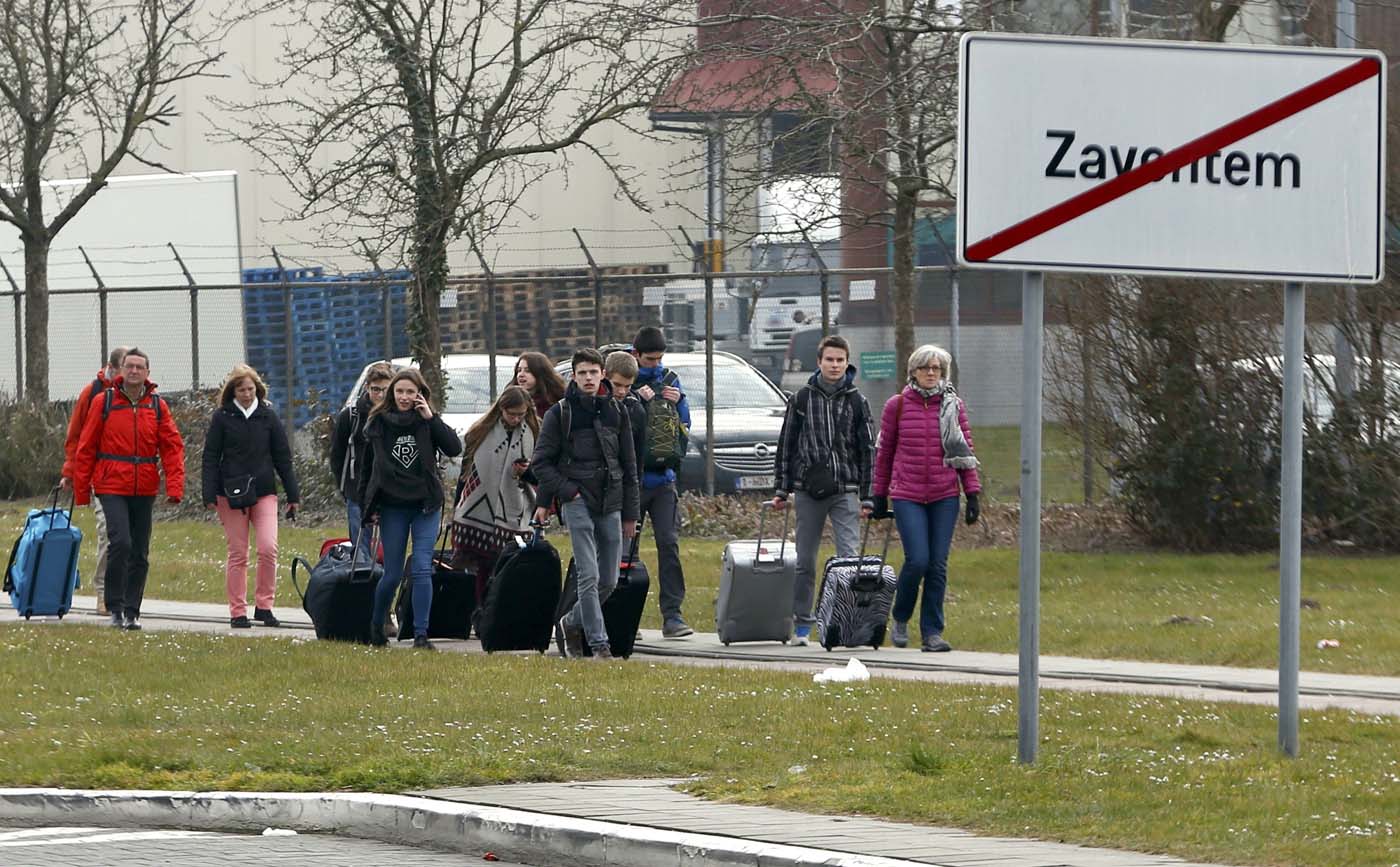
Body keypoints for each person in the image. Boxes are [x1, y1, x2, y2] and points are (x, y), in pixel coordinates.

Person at [531, 348, 639, 660]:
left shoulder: (617, 412)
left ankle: (570, 622)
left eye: (594, 372)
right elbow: (541, 463)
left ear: (602, 373)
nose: (589, 378)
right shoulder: (560, 413)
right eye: (582, 373)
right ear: (574, 377)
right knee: (588, 575)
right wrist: (568, 492)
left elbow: (630, 466)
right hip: (576, 500)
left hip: (611, 500)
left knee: (609, 579)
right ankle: (600, 645)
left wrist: (630, 513)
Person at [871, 345, 981, 653]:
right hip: (907, 494)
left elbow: (965, 450)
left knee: (937, 565)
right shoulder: (897, 406)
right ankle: (901, 615)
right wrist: (878, 495)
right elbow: (885, 453)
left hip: (945, 494)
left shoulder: (953, 406)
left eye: (937, 368)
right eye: (925, 368)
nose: (931, 373)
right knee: (917, 560)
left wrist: (972, 493)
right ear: (914, 371)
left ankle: (932, 632)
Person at [70, 348, 186, 631]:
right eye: (129, 366)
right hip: (111, 483)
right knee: (119, 542)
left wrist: (174, 487)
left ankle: (133, 610)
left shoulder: (157, 406)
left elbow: (172, 448)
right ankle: (115, 606)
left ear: (147, 372)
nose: (134, 371)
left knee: (139, 551)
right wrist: (82, 489)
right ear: (121, 370)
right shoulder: (103, 401)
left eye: (139, 367)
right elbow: (86, 446)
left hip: (144, 485)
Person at [771, 335, 874, 646]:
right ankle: (803, 625)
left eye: (840, 360)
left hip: (846, 488)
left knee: (849, 560)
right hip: (807, 489)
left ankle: (846, 625)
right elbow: (786, 444)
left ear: (847, 362)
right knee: (805, 561)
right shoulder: (801, 399)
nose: (834, 365)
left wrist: (868, 495)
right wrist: (782, 487)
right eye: (829, 360)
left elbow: (868, 450)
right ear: (819, 362)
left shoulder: (858, 401)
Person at [358, 368, 463, 650]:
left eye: (410, 392)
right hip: (392, 506)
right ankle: (376, 624)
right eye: (400, 391)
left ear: (420, 394)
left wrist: (432, 418)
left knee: (421, 569)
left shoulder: (426, 421)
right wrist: (369, 507)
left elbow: (453, 448)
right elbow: (367, 470)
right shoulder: (378, 423)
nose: (405, 397)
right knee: (391, 574)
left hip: (425, 505)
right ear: (392, 393)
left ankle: (420, 634)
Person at [201, 364, 301, 629]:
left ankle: (264, 606)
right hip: (230, 494)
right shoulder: (222, 417)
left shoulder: (268, 416)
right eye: (241, 389)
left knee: (268, 548)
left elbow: (282, 457)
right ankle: (237, 610)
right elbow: (211, 456)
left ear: (257, 389)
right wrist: (209, 492)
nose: (246, 393)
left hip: (265, 492)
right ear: (233, 391)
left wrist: (293, 493)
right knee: (238, 552)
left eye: (250, 388)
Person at [629, 326, 693, 638]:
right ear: (635, 354)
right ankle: (629, 615)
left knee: (669, 544)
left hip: (664, 481)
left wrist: (678, 402)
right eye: (649, 359)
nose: (655, 364)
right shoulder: (626, 384)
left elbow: (684, 428)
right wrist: (636, 401)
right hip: (635, 482)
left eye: (659, 358)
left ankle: (673, 615)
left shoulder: (671, 381)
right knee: (628, 550)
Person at [450, 385, 539, 604]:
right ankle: (481, 610)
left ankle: (501, 609)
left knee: (511, 564)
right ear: (501, 408)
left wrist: (527, 473)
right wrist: (458, 506)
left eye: (522, 414)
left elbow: (542, 476)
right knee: (483, 565)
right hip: (478, 507)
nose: (517, 419)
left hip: (515, 508)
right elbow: (467, 471)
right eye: (512, 414)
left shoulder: (534, 433)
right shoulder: (480, 431)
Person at [60, 345, 127, 616]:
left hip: (130, 478)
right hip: (101, 475)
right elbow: (75, 436)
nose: (132, 373)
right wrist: (70, 472)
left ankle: (124, 593)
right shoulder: (93, 393)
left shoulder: (139, 394)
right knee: (108, 532)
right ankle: (103, 591)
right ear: (112, 367)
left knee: (128, 539)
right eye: (127, 367)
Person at [330, 361, 395, 558]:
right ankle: (364, 585)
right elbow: (337, 455)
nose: (381, 395)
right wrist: (345, 487)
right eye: (376, 389)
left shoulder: (398, 416)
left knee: (391, 549)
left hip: (391, 492)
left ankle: (386, 586)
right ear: (367, 387)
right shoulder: (350, 416)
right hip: (357, 490)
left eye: (386, 389)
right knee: (360, 550)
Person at [515, 351, 567, 419]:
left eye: (527, 371)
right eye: (519, 370)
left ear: (540, 373)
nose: (521, 375)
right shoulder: (511, 399)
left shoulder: (558, 402)